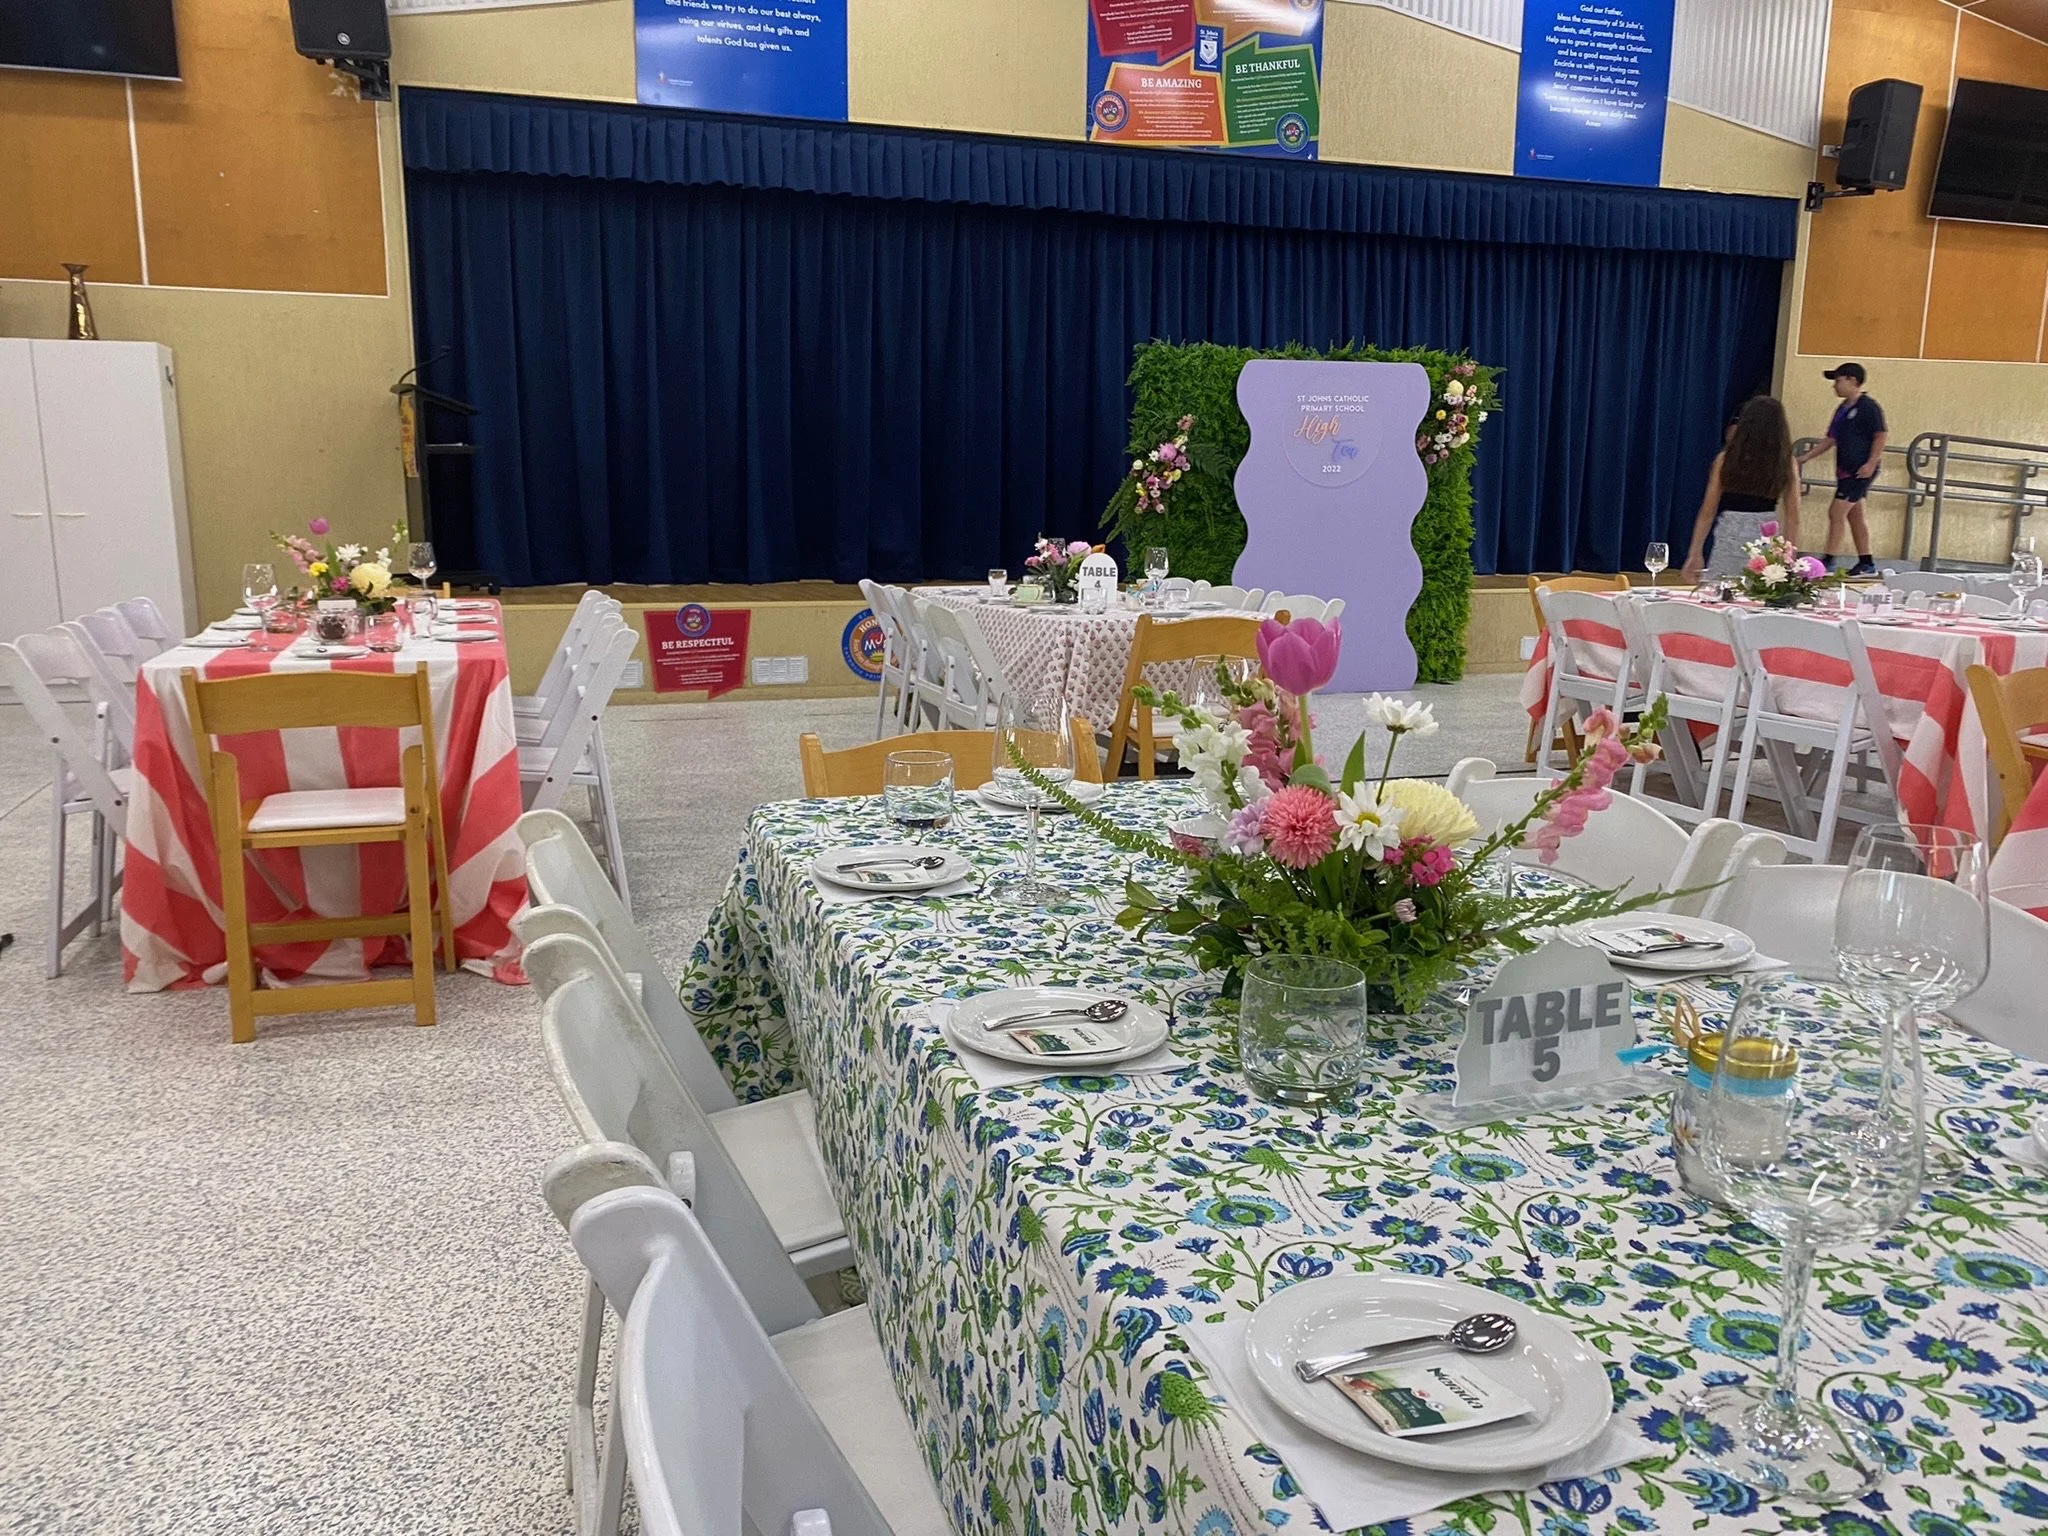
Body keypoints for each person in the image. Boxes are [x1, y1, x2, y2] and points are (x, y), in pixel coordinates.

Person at [1682, 396, 1801, 582]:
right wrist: (1789, 556)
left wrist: (1695, 552)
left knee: (1722, 589)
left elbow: (1708, 509)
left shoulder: (1726, 459)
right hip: (1766, 531)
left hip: (1731, 528)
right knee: (1760, 590)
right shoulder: (1786, 463)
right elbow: (1793, 516)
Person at [1797, 362, 1886, 576]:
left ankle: (1828, 560)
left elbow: (1880, 435)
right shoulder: (1842, 409)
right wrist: (1806, 457)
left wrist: (1871, 463)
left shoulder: (1868, 407)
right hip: (1844, 471)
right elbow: (1831, 438)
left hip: (1859, 471)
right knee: (1855, 515)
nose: (1834, 386)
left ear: (1852, 381)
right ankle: (1866, 561)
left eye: (1838, 381)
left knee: (1836, 511)